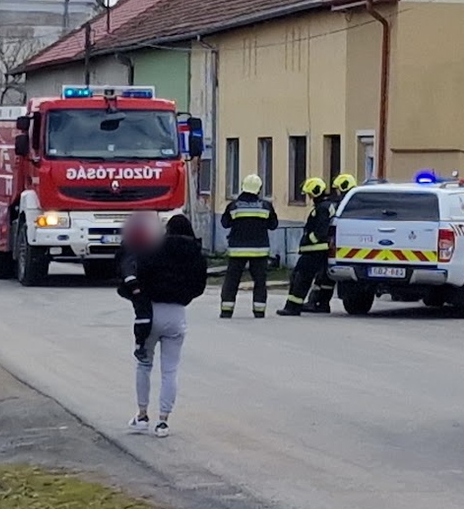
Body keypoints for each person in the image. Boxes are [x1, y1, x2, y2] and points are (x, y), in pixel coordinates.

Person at [129, 213, 208, 437]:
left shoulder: (154, 249)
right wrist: (184, 296)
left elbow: (139, 274)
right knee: (170, 370)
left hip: (151, 312)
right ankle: (163, 421)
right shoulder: (196, 254)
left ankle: (142, 415)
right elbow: (199, 286)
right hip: (177, 313)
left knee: (144, 365)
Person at [219, 174, 275, 318]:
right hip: (259, 251)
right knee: (260, 282)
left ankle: (226, 310)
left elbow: (225, 223)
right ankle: (259, 311)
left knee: (232, 281)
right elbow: (273, 225)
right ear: (259, 189)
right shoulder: (265, 206)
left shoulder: (234, 206)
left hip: (237, 250)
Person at [279, 177, 334, 315]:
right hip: (316, 251)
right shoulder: (326, 206)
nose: (309, 197)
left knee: (300, 278)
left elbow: (320, 232)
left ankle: (293, 307)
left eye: (310, 194)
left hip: (313, 251)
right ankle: (314, 304)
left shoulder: (322, 209)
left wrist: (308, 239)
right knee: (308, 278)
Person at [116, 212, 165, 361]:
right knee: (143, 313)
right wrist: (133, 286)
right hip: (135, 286)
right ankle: (140, 345)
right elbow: (126, 267)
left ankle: (141, 344)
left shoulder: (145, 246)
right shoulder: (132, 247)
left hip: (140, 285)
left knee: (144, 313)